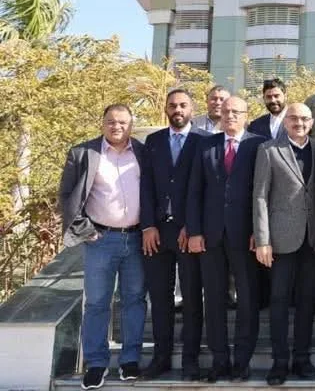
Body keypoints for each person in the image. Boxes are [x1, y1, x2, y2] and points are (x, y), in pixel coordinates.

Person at [58, 104, 146, 390]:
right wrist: (85, 230)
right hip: (100, 241)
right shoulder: (83, 153)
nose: (116, 126)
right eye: (111, 121)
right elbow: (66, 195)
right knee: (97, 303)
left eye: (122, 122)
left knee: (134, 300)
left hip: (137, 239)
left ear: (131, 124)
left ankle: (130, 359)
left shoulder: (143, 152)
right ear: (102, 123)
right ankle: (96, 363)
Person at [186, 96, 266, 382]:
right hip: (211, 236)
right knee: (214, 300)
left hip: (246, 236)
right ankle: (219, 360)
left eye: (236, 112)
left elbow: (263, 192)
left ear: (246, 115)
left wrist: (260, 232)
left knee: (248, 299)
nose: (230, 115)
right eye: (226, 111)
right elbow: (194, 190)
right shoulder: (205, 144)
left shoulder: (259, 145)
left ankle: (241, 362)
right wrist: (194, 231)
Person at [139, 89, 209, 381]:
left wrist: (192, 226)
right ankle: (161, 358)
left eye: (182, 105)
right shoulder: (153, 141)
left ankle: (190, 360)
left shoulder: (205, 141)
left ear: (192, 108)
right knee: (160, 298)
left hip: (188, 233)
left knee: (192, 298)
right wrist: (147, 225)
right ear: (166, 109)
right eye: (172, 105)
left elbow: (207, 188)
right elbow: (145, 185)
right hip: (157, 232)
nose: (177, 110)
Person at [253, 103, 315, 385]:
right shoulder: (269, 150)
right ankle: (280, 362)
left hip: (313, 238)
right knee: (279, 300)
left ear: (312, 122)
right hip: (280, 239)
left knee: (307, 301)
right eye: (293, 118)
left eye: (305, 118)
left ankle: (302, 359)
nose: (299, 123)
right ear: (285, 122)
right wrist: (263, 239)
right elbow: (260, 196)